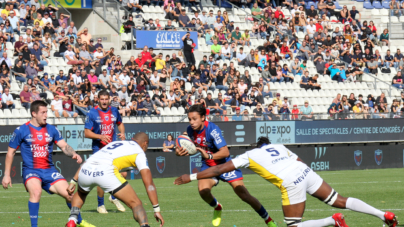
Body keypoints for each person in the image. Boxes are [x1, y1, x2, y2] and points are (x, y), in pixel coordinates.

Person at [174, 137, 399, 227]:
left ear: (256, 145)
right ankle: (384, 215)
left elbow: (223, 167)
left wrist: (190, 177)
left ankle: (333, 221)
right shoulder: (279, 146)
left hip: (290, 180)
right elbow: (300, 159)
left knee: (293, 226)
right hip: (304, 170)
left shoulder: (250, 154)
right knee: (339, 199)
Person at [175, 105, 277, 227]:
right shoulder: (190, 130)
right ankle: (217, 207)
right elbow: (182, 141)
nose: (191, 122)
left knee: (244, 195)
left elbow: (225, 152)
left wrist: (209, 156)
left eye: (194, 119)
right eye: (189, 119)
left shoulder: (212, 130)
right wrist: (178, 151)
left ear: (203, 117)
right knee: (203, 191)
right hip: (208, 166)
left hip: (225, 165)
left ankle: (269, 220)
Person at [1, 100, 94, 227]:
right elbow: (10, 153)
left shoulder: (51, 129)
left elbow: (63, 146)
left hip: (49, 171)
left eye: (47, 112)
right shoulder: (21, 130)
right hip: (31, 171)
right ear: (34, 113)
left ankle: (79, 220)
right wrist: (6, 175)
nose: (46, 115)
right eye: (43, 112)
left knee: (70, 195)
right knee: (36, 192)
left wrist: (74, 154)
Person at [65, 133, 164, 227]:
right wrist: (156, 209)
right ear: (145, 143)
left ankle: (72, 220)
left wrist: (74, 180)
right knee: (136, 204)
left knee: (81, 193)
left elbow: (90, 160)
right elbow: (149, 183)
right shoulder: (139, 152)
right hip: (106, 171)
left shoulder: (115, 143)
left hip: (86, 169)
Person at [84, 90, 126, 214]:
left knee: (123, 174)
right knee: (101, 176)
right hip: (99, 149)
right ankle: (100, 205)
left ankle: (113, 196)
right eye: (101, 99)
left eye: (106, 99)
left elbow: (120, 123)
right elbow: (86, 133)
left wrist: (122, 133)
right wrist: (100, 136)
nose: (104, 101)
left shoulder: (114, 110)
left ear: (109, 99)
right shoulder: (92, 112)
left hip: (112, 148)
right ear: (98, 99)